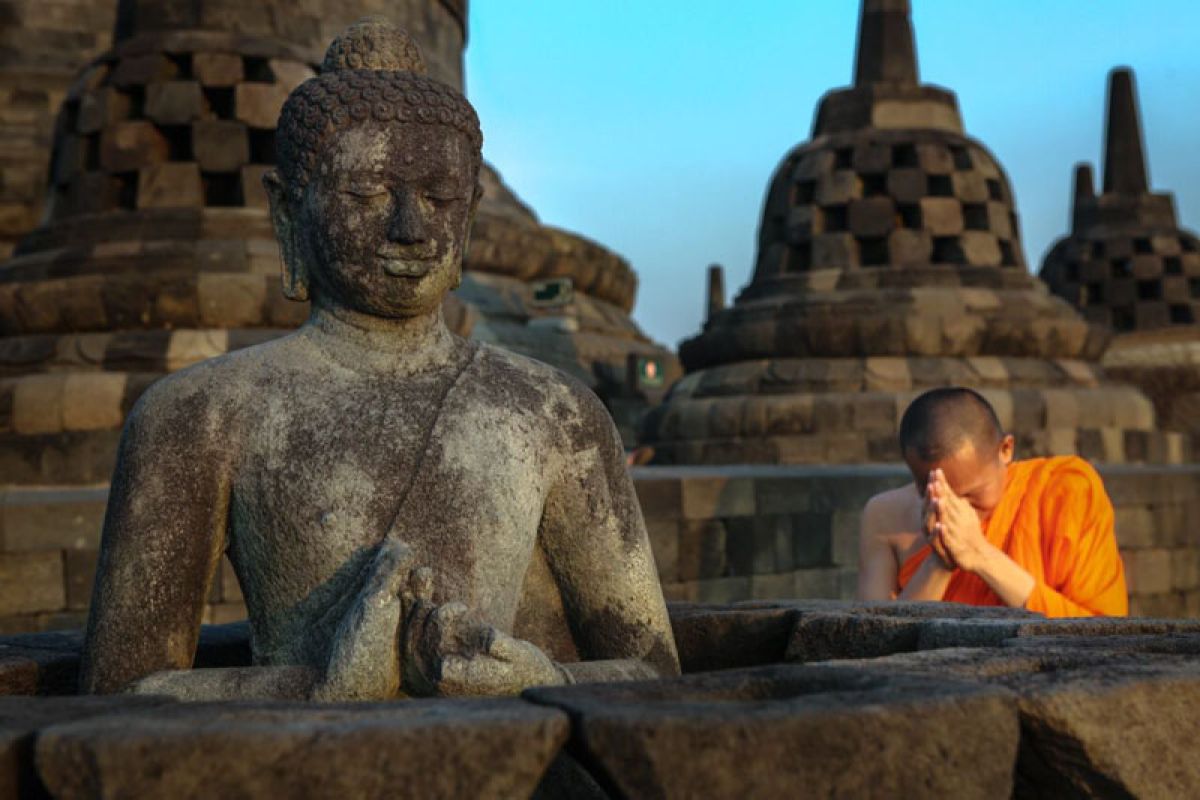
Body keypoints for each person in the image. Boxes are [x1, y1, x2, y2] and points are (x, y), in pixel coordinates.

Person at [80, 18, 679, 699]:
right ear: (288, 214)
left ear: (472, 217)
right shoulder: (200, 416)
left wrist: (544, 679)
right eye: (366, 196)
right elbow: (115, 695)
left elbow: (655, 674)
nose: (410, 230)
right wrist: (318, 689)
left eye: (441, 200)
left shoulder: (556, 413)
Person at [856, 386, 1128, 617]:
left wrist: (981, 556)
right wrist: (940, 561)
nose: (957, 510)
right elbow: (876, 645)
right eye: (934, 493)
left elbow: (1105, 633)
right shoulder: (884, 517)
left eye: (971, 496)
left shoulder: (1065, 491)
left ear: (1005, 450)